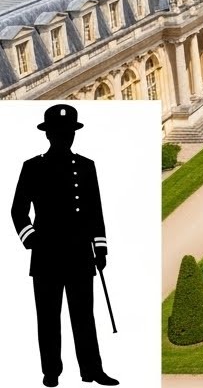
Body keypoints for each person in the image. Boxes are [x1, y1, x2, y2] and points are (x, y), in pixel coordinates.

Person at [10, 105, 120, 387]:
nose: (65, 137)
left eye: (68, 132)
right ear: (49, 136)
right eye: (60, 133)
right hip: (46, 256)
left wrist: (101, 247)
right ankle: (51, 371)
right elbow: (17, 210)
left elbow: (95, 211)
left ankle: (92, 370)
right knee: (48, 319)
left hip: (80, 254)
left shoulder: (85, 166)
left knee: (84, 317)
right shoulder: (32, 167)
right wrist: (32, 239)